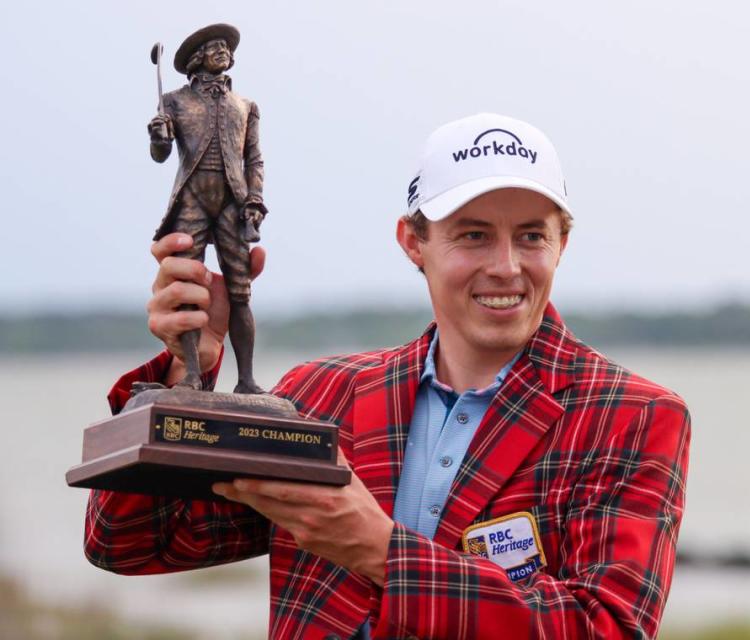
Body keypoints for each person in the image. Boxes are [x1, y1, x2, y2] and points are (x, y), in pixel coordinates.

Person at [85, 113, 691, 639]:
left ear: (562, 243)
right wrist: (190, 365)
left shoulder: (632, 414)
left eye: (531, 235)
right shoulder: (320, 396)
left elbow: (605, 627)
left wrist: (380, 551)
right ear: (413, 242)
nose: (506, 267)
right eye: (473, 235)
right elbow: (131, 541)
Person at [147, 23, 268, 394]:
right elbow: (161, 155)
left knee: (240, 292)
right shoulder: (173, 101)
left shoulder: (246, 106)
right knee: (187, 289)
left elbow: (254, 160)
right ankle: (191, 374)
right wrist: (158, 136)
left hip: (233, 203)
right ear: (197, 58)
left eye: (225, 47)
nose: (223, 52)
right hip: (192, 202)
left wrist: (255, 200)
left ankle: (246, 379)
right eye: (214, 47)